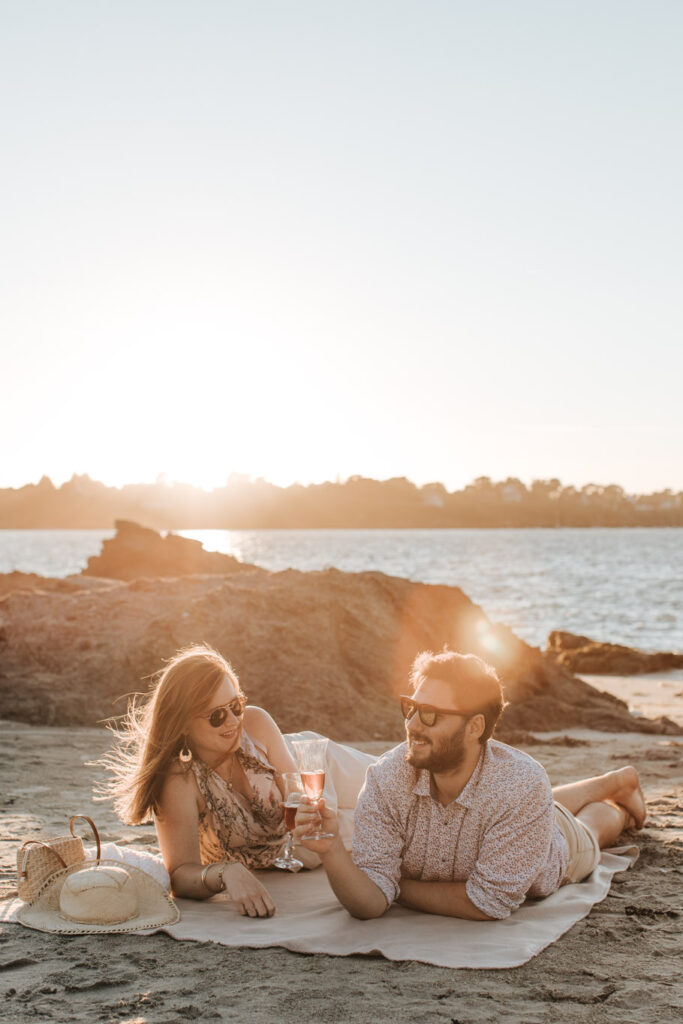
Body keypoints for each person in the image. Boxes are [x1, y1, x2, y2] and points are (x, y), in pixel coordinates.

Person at [296, 649, 646, 920]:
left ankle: (618, 795)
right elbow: (370, 901)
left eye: (431, 714)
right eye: (411, 708)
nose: (414, 725)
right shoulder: (386, 777)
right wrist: (333, 852)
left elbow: (488, 904)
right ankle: (614, 780)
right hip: (517, 814)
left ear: (475, 727)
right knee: (541, 805)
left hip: (554, 848)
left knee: (589, 827)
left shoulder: (520, 785)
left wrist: (397, 887)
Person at [104, 644, 373, 919]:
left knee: (403, 776)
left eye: (235, 706)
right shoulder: (179, 782)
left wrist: (312, 811)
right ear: (182, 723)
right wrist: (225, 873)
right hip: (306, 847)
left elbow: (298, 794)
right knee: (394, 829)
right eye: (216, 716)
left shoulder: (255, 722)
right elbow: (181, 874)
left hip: (318, 770)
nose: (233, 722)